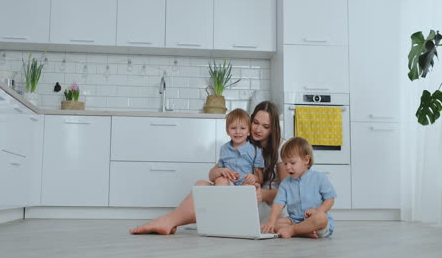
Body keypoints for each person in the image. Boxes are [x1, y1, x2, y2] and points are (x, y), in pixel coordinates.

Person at [130, 101, 287, 235]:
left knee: (210, 196)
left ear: (273, 128)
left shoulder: (280, 147)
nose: (258, 130)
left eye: (265, 126)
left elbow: (289, 190)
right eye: (255, 123)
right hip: (240, 195)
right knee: (201, 186)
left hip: (263, 207)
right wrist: (220, 172)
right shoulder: (244, 143)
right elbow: (213, 172)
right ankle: (169, 221)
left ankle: (168, 221)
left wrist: (263, 194)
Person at [261, 137, 336, 239]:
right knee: (276, 223)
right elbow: (278, 203)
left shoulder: (319, 178)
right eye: (285, 163)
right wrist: (272, 221)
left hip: (316, 223)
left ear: (306, 160)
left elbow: (330, 199)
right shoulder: (286, 184)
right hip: (294, 220)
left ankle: (294, 230)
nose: (287, 167)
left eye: (292, 163)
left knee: (321, 218)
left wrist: (318, 211)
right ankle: (304, 232)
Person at [214, 108, 264, 186]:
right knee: (220, 180)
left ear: (248, 132)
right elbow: (218, 170)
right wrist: (222, 171)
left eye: (242, 128)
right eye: (233, 128)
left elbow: (259, 177)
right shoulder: (224, 149)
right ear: (227, 131)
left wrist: (254, 177)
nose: (238, 132)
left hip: (245, 184)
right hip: (228, 184)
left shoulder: (255, 151)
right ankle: (223, 197)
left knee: (252, 185)